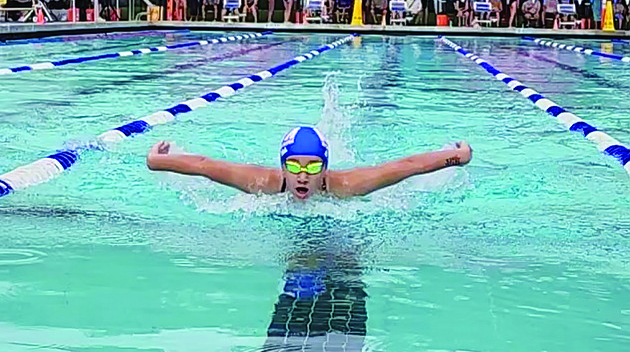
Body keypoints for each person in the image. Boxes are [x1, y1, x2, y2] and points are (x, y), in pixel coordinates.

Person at [146, 126, 472, 200]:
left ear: (326, 168)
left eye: (314, 166)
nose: (303, 175)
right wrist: (156, 161)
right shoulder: (260, 182)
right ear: (282, 165)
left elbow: (408, 165)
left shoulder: (348, 186)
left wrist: (459, 156)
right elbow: (204, 165)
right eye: (295, 165)